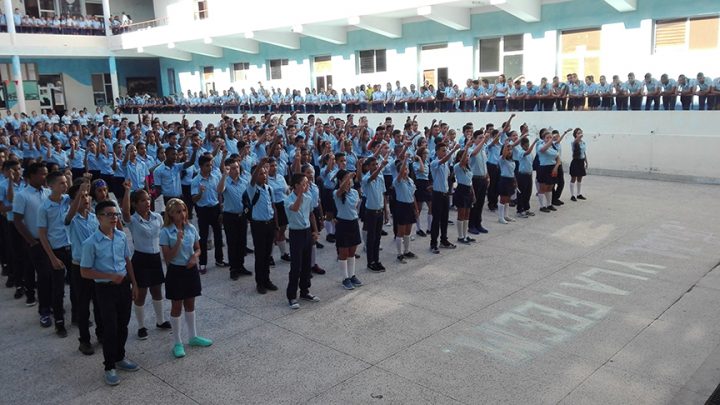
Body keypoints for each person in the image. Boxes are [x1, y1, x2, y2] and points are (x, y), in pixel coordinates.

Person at [80, 200, 140, 386]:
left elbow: (127, 260)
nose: (114, 218)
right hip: (105, 288)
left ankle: (120, 357)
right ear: (99, 218)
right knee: (110, 327)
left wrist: (134, 284)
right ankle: (109, 366)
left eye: (115, 214)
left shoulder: (121, 236)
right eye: (109, 214)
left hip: (123, 285)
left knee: (123, 324)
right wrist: (109, 276)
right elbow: (85, 271)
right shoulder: (91, 243)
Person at [159, 198, 212, 358]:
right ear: (170, 214)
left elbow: (198, 248)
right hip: (176, 271)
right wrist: (178, 242)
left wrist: (195, 257)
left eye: (183, 211)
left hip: (190, 270)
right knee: (176, 307)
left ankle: (193, 336)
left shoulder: (190, 228)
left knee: (190, 303)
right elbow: (167, 257)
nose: (182, 214)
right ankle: (177, 342)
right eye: (177, 212)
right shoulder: (166, 232)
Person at [121, 182, 171, 340]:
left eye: (148, 199)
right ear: (135, 204)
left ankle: (160, 320)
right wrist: (128, 190)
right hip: (141, 259)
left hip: (155, 258)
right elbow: (125, 213)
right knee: (140, 294)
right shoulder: (133, 220)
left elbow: (165, 234)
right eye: (142, 200)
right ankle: (141, 326)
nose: (147, 202)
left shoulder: (157, 217)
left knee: (157, 290)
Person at [65, 181, 103, 355]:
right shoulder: (72, 219)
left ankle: (101, 334)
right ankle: (84, 340)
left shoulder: (95, 217)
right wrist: (79, 191)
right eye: (81, 197)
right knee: (83, 305)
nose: (86, 198)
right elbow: (68, 217)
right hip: (80, 267)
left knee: (99, 302)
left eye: (87, 195)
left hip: (96, 266)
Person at [37, 170, 73, 337]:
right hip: (56, 250)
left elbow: (76, 196)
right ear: (50, 186)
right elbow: (42, 234)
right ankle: (59, 322)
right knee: (58, 289)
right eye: (61, 183)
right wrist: (52, 257)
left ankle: (78, 316)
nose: (65, 185)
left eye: (65, 182)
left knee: (77, 285)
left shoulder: (67, 200)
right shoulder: (44, 207)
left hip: (71, 247)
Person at [13, 163, 50, 320]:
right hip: (36, 241)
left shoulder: (48, 192)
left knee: (53, 276)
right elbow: (18, 220)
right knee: (43, 276)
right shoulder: (22, 195)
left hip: (52, 240)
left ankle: (53, 304)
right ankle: (44, 310)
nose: (45, 177)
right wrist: (32, 241)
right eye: (42, 174)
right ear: (31, 176)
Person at [284, 173, 321, 309]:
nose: (307, 186)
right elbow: (294, 208)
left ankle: (305, 291)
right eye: (304, 183)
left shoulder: (308, 197)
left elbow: (311, 214)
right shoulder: (288, 199)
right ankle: (292, 296)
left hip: (306, 232)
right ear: (296, 186)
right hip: (296, 233)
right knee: (296, 266)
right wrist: (300, 194)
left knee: (307, 265)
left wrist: (315, 231)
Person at [247, 158, 278, 295]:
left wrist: (276, 226)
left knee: (267, 254)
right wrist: (260, 164)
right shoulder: (252, 189)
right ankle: (260, 282)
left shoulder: (269, 189)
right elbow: (253, 180)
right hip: (258, 225)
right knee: (260, 255)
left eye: (265, 173)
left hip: (269, 224)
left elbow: (273, 207)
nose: (264, 175)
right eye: (261, 173)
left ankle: (267, 279)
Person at [218, 158, 252, 280]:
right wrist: (224, 175)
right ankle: (233, 268)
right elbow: (220, 190)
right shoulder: (226, 182)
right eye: (232, 168)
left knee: (242, 242)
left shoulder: (244, 181)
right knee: (232, 243)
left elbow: (248, 198)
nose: (236, 170)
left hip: (242, 216)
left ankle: (240, 265)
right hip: (230, 217)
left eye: (237, 167)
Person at [191, 154, 225, 273]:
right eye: (207, 165)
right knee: (203, 238)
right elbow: (194, 199)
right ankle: (203, 263)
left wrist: (221, 210)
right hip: (203, 210)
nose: (210, 167)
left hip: (215, 208)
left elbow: (220, 194)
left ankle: (219, 259)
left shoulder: (216, 176)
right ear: (200, 166)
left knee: (218, 236)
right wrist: (200, 193)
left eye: (211, 165)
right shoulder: (196, 180)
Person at [333, 170, 363, 289]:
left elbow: (355, 207)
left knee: (352, 251)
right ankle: (345, 278)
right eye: (346, 179)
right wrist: (347, 178)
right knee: (343, 252)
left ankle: (352, 275)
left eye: (350, 179)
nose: (349, 181)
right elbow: (340, 191)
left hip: (353, 223)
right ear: (340, 181)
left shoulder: (355, 192)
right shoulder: (336, 193)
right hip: (343, 224)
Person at [429, 142, 461, 254]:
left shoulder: (445, 165)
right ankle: (433, 243)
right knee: (436, 220)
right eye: (443, 150)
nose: (444, 152)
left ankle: (444, 240)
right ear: (437, 151)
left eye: (445, 150)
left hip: (445, 194)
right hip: (437, 194)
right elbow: (443, 160)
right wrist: (453, 150)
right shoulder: (434, 163)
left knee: (444, 219)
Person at [361, 154, 389, 272]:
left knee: (377, 238)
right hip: (371, 212)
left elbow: (383, 194)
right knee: (371, 238)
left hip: (379, 211)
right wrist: (381, 167)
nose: (376, 166)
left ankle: (376, 260)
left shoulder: (380, 177)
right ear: (367, 167)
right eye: (373, 165)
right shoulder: (366, 178)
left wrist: (386, 211)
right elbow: (372, 177)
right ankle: (370, 262)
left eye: (376, 164)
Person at [392, 155, 418, 262]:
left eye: (407, 168)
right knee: (401, 231)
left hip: (410, 206)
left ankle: (407, 251)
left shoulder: (410, 180)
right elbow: (400, 173)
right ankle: (399, 253)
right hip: (401, 206)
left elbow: (413, 195)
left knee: (408, 230)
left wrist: (416, 209)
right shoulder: (397, 181)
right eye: (404, 169)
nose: (406, 170)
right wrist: (405, 159)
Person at [452, 141, 475, 243]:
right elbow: (461, 162)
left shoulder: (468, 168)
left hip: (468, 190)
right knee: (461, 214)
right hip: (461, 190)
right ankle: (460, 236)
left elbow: (470, 182)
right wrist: (466, 147)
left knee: (467, 214)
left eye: (468, 156)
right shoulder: (458, 166)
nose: (467, 158)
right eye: (465, 156)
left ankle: (465, 235)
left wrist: (473, 193)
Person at [515, 136, 538, 218]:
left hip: (529, 174)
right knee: (521, 193)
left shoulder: (530, 153)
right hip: (522, 175)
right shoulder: (520, 152)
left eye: (528, 145)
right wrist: (534, 143)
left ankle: (526, 208)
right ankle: (519, 210)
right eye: (526, 145)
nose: (527, 147)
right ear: (522, 145)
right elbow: (527, 152)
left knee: (528, 192)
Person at [497, 144, 517, 224]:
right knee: (503, 199)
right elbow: (504, 155)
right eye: (508, 150)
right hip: (504, 180)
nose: (510, 151)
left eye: (511, 150)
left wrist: (515, 181)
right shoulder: (502, 159)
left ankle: (506, 215)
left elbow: (513, 172)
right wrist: (506, 145)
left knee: (508, 199)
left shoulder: (512, 161)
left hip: (510, 180)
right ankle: (500, 217)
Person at [569, 128, 588, 201]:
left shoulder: (583, 142)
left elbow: (584, 152)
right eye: (578, 133)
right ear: (575, 135)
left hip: (581, 161)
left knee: (580, 178)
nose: (580, 134)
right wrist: (578, 137)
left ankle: (578, 194)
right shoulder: (573, 142)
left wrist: (586, 161)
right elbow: (575, 143)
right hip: (575, 161)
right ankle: (572, 195)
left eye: (581, 132)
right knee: (573, 178)